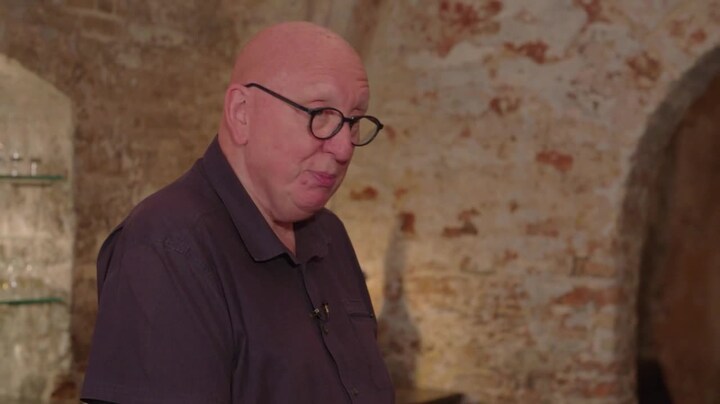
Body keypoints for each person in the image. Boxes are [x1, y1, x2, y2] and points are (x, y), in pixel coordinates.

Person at [81, 21, 394, 404]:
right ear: (241, 113)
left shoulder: (331, 234)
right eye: (320, 114)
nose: (344, 148)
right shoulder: (167, 247)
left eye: (353, 121)